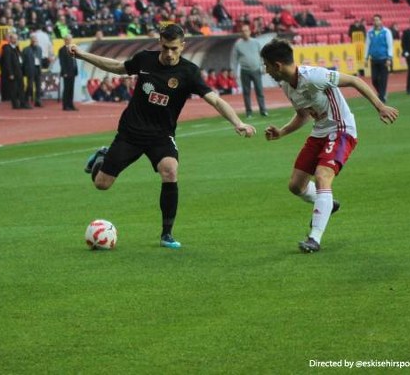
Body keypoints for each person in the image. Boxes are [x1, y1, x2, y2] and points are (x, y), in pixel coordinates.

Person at [71, 24, 256, 249]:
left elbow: (215, 100)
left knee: (170, 169)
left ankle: (166, 234)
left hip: (161, 136)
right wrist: (82, 54)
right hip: (131, 132)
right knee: (102, 184)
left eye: (174, 48)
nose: (169, 53)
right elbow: (118, 66)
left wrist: (237, 122)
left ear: (183, 46)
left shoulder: (189, 72)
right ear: (160, 42)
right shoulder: (145, 60)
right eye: (166, 47)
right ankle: (103, 156)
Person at [260, 38, 399, 253]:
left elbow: (355, 81)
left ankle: (314, 238)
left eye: (266, 65)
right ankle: (326, 204)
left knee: (322, 175)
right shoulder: (287, 85)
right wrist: (282, 132)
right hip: (319, 133)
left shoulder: (314, 76)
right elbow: (303, 114)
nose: (266, 70)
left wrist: (380, 106)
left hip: (341, 130)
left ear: (277, 65)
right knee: (296, 186)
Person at [231, 22, 268, 118]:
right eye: (243, 31)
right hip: (245, 70)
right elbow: (234, 59)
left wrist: (264, 67)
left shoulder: (256, 42)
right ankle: (249, 112)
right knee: (246, 92)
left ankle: (263, 110)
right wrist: (234, 71)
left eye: (246, 30)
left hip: (256, 69)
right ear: (240, 33)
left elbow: (262, 56)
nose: (245, 32)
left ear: (250, 31)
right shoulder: (238, 44)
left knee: (259, 91)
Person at [364, 14, 393, 103]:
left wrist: (389, 58)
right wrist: (366, 58)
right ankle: (382, 93)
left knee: (383, 79)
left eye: (377, 20)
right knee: (374, 79)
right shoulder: (370, 32)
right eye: (374, 20)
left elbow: (390, 45)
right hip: (374, 59)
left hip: (384, 58)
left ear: (381, 21)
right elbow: (367, 45)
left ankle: (382, 97)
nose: (376, 22)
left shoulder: (386, 32)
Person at [1, 32, 29, 109]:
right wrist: (10, 73)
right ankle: (15, 104)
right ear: (10, 39)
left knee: (21, 87)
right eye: (14, 38)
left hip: (19, 71)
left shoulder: (16, 48)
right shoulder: (7, 49)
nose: (16, 40)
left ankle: (22, 103)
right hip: (13, 72)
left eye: (16, 39)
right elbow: (7, 62)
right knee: (14, 88)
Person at [22, 33, 44, 107]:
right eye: (33, 40)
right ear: (30, 40)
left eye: (35, 40)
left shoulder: (40, 49)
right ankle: (26, 101)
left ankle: (38, 100)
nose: (34, 41)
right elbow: (23, 62)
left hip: (38, 69)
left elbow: (41, 60)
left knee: (38, 87)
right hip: (30, 70)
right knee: (30, 86)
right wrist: (25, 71)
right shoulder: (26, 50)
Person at [58, 34, 78, 111]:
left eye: (70, 39)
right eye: (68, 39)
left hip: (73, 72)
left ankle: (71, 104)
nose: (70, 40)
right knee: (66, 89)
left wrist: (76, 70)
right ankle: (65, 105)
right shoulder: (62, 50)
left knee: (71, 89)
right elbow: (62, 62)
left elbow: (74, 61)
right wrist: (65, 72)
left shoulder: (73, 49)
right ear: (65, 40)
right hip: (66, 73)